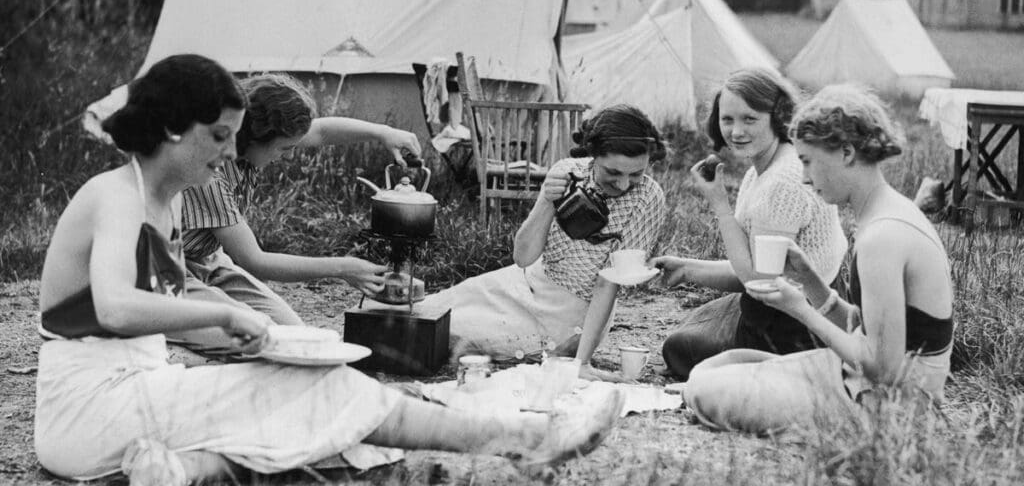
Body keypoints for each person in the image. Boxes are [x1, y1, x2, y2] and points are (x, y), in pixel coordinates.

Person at [34, 54, 624, 485]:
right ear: (171, 129)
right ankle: (522, 439)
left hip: (123, 406)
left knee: (299, 391)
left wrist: (265, 339)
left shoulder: (164, 198)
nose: (226, 153)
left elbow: (311, 135)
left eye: (233, 138)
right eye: (218, 137)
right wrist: (224, 316)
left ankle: (185, 471)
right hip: (91, 411)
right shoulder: (116, 195)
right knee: (309, 390)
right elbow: (112, 306)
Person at [682, 84, 954, 433]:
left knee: (705, 389)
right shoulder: (887, 211)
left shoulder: (881, 238)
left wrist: (801, 310)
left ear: (846, 153)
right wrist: (811, 281)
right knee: (722, 365)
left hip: (888, 405)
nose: (806, 178)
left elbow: (882, 368)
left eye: (808, 162)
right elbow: (870, 329)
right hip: (863, 379)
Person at [374, 104, 668, 381]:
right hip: (521, 281)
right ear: (593, 155)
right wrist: (548, 202)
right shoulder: (569, 171)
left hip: (568, 314)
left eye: (636, 173)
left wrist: (582, 363)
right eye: (613, 173)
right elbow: (523, 257)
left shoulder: (647, 197)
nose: (624, 185)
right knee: (422, 310)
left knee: (448, 332)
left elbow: (608, 283)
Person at [173, 73, 423, 350]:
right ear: (253, 137)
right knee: (260, 338)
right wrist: (342, 268)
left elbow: (321, 132)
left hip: (209, 260)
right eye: (285, 148)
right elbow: (256, 260)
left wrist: (381, 132)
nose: (290, 156)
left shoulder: (247, 143)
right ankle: (154, 318)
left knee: (293, 331)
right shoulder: (209, 170)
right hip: (170, 268)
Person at [651, 68, 848, 379]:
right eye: (727, 119)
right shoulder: (765, 167)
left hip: (795, 325)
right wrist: (686, 268)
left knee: (677, 348)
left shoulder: (781, 183)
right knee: (696, 321)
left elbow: (757, 281)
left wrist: (719, 204)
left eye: (749, 119)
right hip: (783, 301)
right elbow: (755, 268)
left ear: (777, 117)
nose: (736, 131)